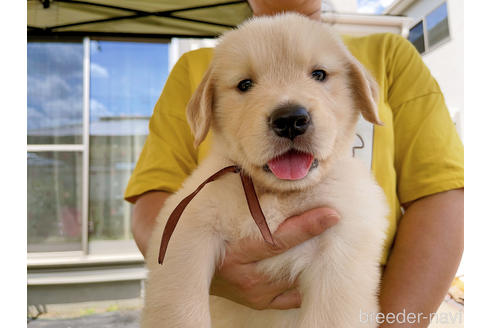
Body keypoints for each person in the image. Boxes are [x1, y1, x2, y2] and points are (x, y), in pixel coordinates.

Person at [125, 0, 464, 326]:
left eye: (318, 74)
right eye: (245, 84)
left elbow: (444, 197)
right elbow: (169, 223)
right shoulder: (211, 172)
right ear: (207, 109)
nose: (289, 113)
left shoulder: (390, 55)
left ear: (360, 89)